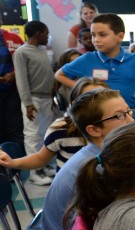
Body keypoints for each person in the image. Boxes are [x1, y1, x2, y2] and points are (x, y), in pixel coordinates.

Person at [42, 88, 135, 230]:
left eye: (129, 111)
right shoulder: (99, 168)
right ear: (93, 130)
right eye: (120, 116)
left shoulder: (99, 155)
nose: (131, 120)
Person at [55, 13, 135, 118]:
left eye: (102, 35)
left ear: (120, 36)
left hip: (129, 117)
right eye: (93, 35)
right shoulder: (87, 59)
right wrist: (84, 88)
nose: (96, 39)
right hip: (97, 118)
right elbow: (59, 75)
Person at [0, 77, 109, 177]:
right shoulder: (61, 129)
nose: (98, 104)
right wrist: (12, 162)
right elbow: (40, 158)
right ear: (75, 104)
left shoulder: (117, 126)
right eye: (90, 99)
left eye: (103, 98)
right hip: (73, 190)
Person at [12, 20, 58, 185]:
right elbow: (21, 80)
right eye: (46, 33)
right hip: (33, 99)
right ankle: (34, 172)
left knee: (45, 133)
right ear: (38, 33)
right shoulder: (21, 52)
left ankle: (44, 165)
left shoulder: (42, 50)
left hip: (47, 99)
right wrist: (28, 103)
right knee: (32, 135)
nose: (48, 36)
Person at [0, 16, 25, 149]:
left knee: (15, 126)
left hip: (13, 90)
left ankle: (16, 162)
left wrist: (15, 73)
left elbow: (25, 60)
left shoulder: (14, 38)